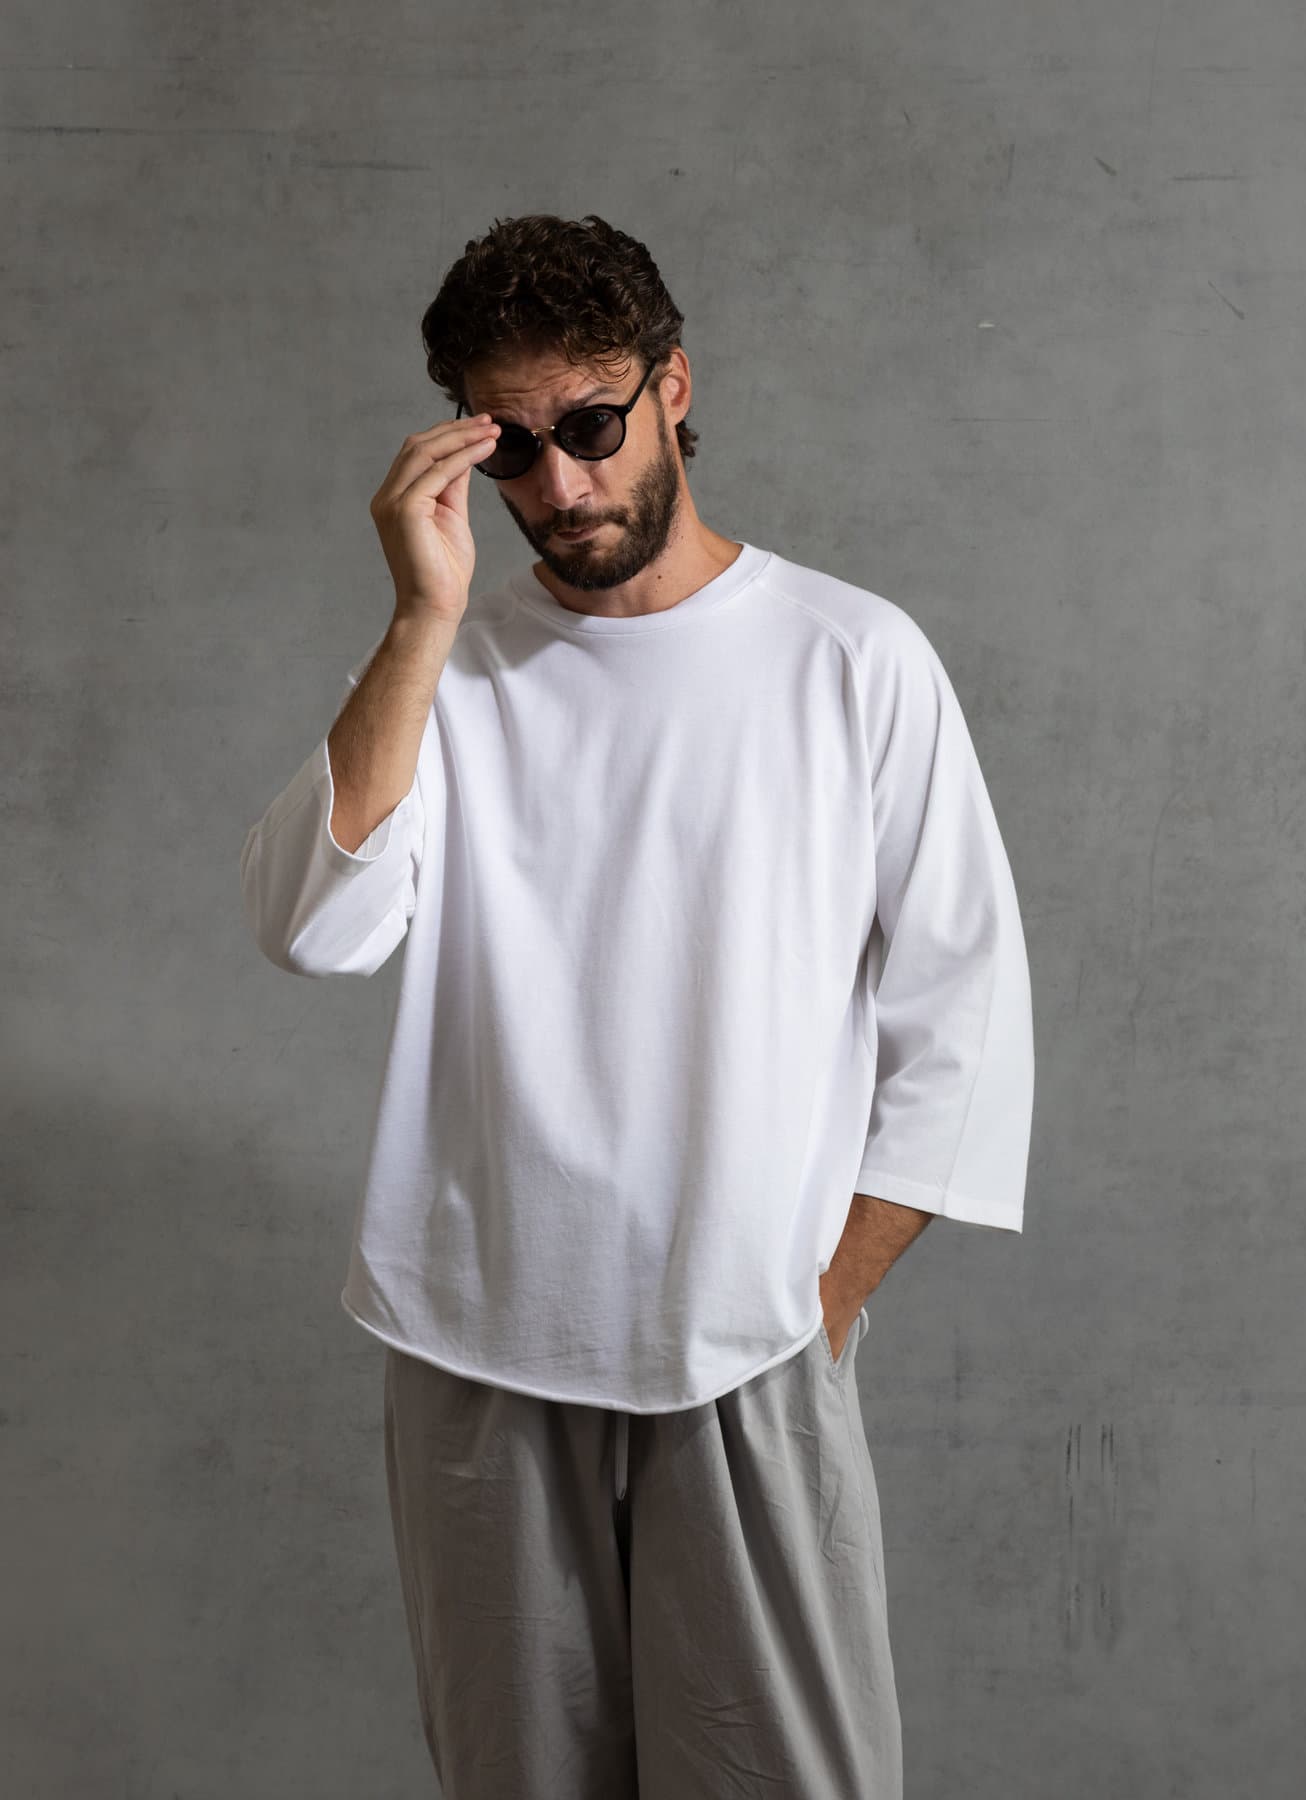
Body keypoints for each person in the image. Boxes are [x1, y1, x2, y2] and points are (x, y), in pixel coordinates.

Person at [239, 212, 1034, 1800]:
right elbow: (313, 929)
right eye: (513, 447)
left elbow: (967, 1017)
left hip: (743, 1343)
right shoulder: (449, 677)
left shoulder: (850, 657)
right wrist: (420, 619)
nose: (560, 485)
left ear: (673, 389)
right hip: (478, 1346)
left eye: (592, 426)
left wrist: (820, 1303)